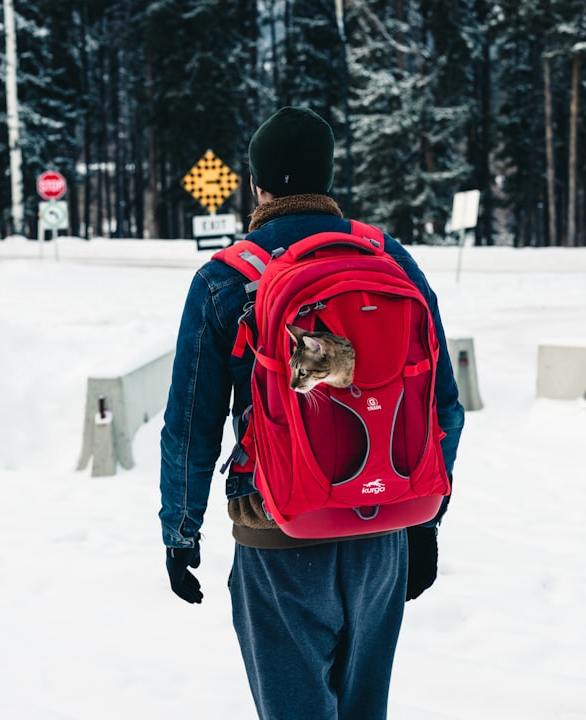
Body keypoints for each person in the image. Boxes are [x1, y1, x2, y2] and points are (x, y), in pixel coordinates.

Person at [159, 106, 464, 719]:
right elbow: (442, 405)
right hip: (384, 520)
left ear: (257, 185)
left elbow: (191, 424)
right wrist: (427, 521)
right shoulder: (389, 259)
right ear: (327, 180)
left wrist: (180, 530)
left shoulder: (226, 278)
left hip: (278, 522)